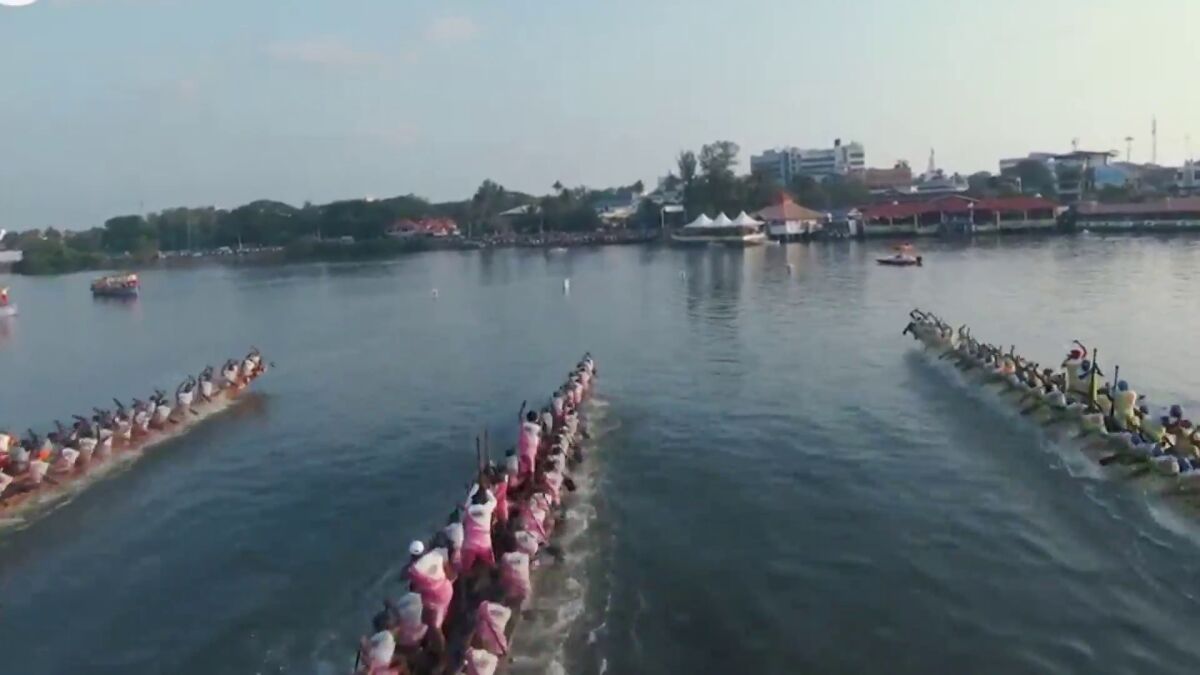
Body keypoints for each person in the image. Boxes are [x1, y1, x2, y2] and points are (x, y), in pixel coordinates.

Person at [407, 541, 455, 629]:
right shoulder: (436, 553)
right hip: (448, 589)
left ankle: (445, 628)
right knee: (446, 609)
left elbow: (415, 589)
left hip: (436, 600)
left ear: (412, 555)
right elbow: (449, 572)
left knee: (436, 623)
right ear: (424, 549)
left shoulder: (413, 570)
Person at [461, 483, 497, 573]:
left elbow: (467, 505)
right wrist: (485, 489)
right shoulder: (487, 508)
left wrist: (475, 487)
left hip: (470, 545)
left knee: (464, 569)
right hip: (485, 544)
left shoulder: (468, 510)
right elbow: (494, 500)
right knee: (492, 566)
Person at [517, 411, 541, 483]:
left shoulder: (524, 424)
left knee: (523, 463)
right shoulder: (538, 427)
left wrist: (522, 408)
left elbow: (520, 415)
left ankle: (522, 479)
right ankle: (531, 481)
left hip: (523, 447)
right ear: (536, 419)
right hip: (532, 447)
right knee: (531, 465)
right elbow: (540, 435)